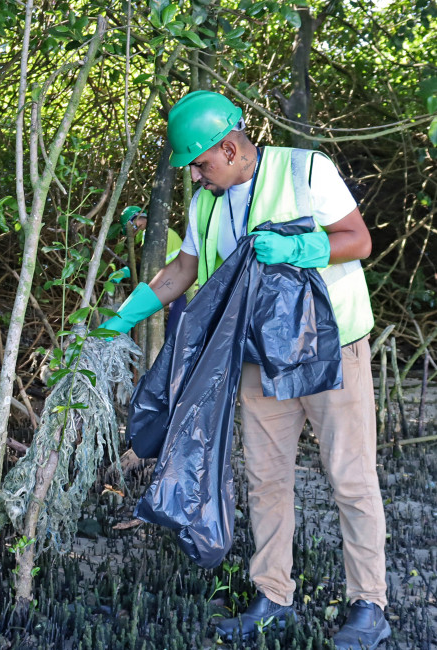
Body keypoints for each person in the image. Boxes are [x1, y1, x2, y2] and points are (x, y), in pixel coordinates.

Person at [103, 91, 389, 649]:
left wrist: (304, 247)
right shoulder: (207, 204)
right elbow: (183, 268)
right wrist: (119, 321)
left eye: (201, 164)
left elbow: (359, 240)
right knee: (265, 478)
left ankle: (369, 605)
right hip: (257, 359)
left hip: (330, 351)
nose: (195, 177)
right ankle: (272, 595)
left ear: (230, 147)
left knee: (351, 477)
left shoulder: (307, 170)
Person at [116, 205, 187, 338]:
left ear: (134, 221)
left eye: (129, 228)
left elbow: (151, 266)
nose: (132, 233)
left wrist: (127, 271)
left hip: (184, 288)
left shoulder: (158, 234)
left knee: (174, 334)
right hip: (177, 286)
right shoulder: (150, 234)